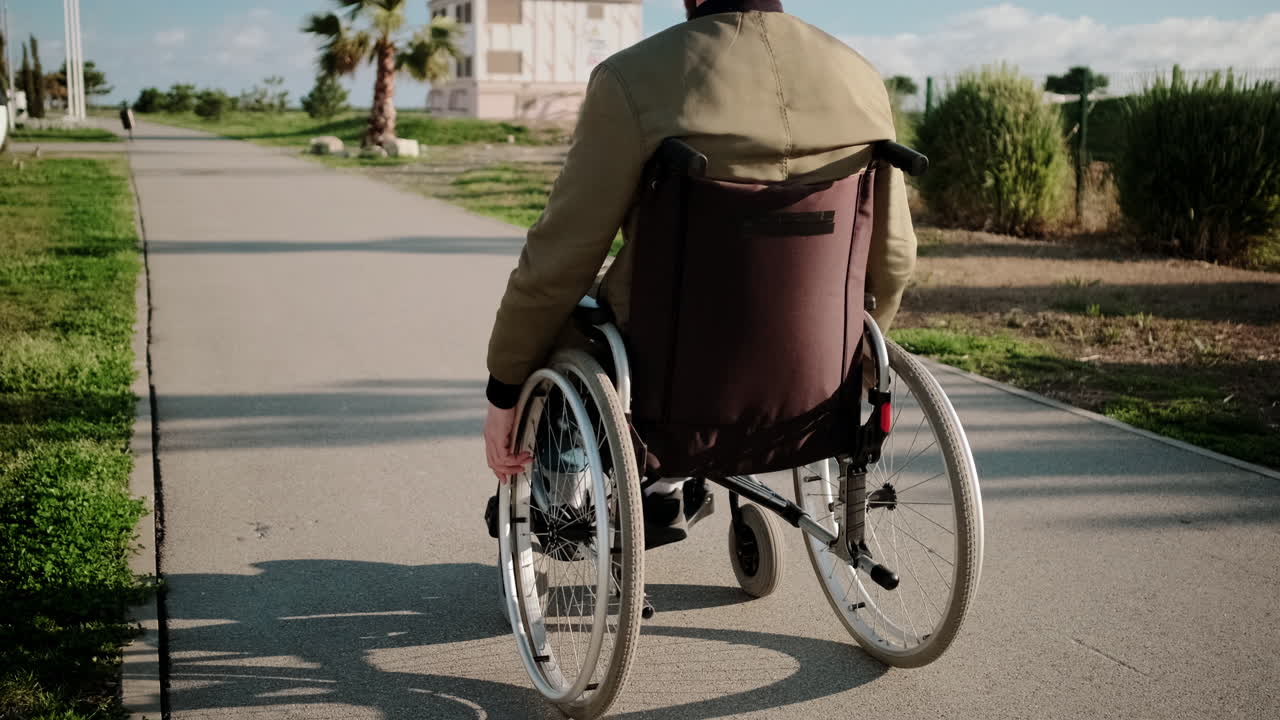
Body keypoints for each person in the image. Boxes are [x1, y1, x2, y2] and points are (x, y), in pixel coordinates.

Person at [482, 0, 918, 482]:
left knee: (564, 321)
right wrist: (860, 349)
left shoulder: (634, 79)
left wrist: (505, 385)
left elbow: (560, 261)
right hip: (818, 370)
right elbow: (895, 257)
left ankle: (566, 488)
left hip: (670, 377)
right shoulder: (859, 78)